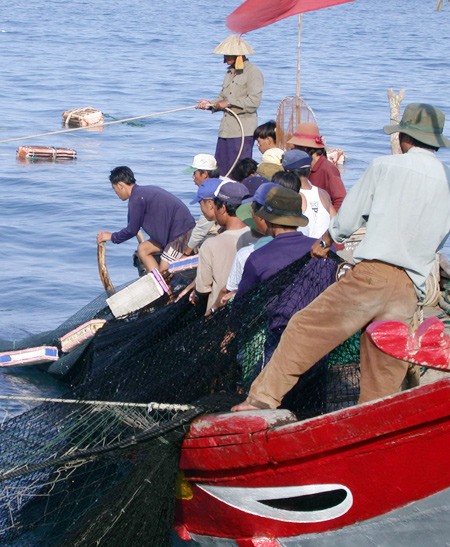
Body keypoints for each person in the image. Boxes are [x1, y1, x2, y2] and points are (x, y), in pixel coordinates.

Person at [232, 102, 450, 412]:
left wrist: (327, 239)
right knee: (382, 366)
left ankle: (261, 399)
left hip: (373, 275)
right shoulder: (446, 178)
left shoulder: (385, 166)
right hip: (408, 290)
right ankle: (372, 425)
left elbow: (348, 217)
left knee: (305, 327)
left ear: (405, 138)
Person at [97, 166, 195, 275]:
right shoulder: (143, 192)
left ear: (120, 185)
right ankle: (154, 280)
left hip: (181, 235)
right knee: (143, 249)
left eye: (114, 189)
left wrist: (112, 237)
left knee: (164, 271)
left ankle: (162, 284)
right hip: (170, 234)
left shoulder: (136, 199)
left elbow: (131, 230)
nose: (116, 193)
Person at [196, 35, 264, 177]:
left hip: (242, 132)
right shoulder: (229, 73)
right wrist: (209, 104)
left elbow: (254, 101)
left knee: (239, 172)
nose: (225, 59)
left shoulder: (253, 73)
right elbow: (222, 98)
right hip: (226, 131)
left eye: (228, 55)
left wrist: (230, 103)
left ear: (238, 55)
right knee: (220, 170)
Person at [191, 180, 255, 314]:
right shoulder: (259, 237)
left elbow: (203, 290)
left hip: (218, 315)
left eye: (215, 205)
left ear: (223, 208)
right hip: (249, 310)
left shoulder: (210, 245)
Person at [287, 122, 347, 211]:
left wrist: (331, 221)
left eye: (296, 148)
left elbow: (341, 199)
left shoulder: (328, 169)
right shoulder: (307, 166)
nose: (294, 151)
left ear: (305, 148)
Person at [281, 149, 336, 238]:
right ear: (309, 169)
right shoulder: (323, 193)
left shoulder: (293, 195)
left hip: (304, 248)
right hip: (323, 247)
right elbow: (335, 224)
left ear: (287, 172)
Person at [183, 154, 221, 256]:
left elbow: (202, 228)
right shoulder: (222, 182)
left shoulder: (211, 192)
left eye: (194, 173)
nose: (193, 177)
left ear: (204, 174)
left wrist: (186, 253)